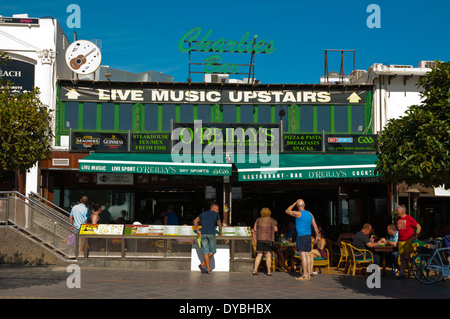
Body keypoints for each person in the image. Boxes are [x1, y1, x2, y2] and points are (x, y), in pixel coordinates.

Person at [285, 199, 319, 281]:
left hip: (301, 236)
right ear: (304, 205)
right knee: (307, 255)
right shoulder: (310, 213)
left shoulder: (298, 213)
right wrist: (317, 235)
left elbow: (287, 211)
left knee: (303, 256)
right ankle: (308, 275)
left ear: (297, 206)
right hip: (308, 236)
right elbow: (314, 225)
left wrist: (294, 203)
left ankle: (304, 275)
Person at [194, 203, 223, 274]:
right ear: (214, 208)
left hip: (203, 234)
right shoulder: (216, 214)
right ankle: (204, 266)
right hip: (211, 234)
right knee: (212, 251)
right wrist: (220, 233)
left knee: (205, 251)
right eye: (217, 209)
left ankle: (206, 267)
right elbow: (219, 225)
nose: (218, 211)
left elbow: (195, 221)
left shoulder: (203, 214)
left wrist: (198, 231)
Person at [396, 204, 421, 279]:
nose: (396, 212)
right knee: (402, 258)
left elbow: (418, 226)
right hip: (401, 240)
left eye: (397, 210)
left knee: (407, 256)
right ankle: (402, 274)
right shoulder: (398, 219)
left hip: (408, 240)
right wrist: (398, 240)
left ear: (402, 211)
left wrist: (416, 236)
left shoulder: (409, 218)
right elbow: (399, 230)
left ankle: (418, 267)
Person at [252, 208, 278, 276]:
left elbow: (255, 229)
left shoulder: (258, 220)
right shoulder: (272, 221)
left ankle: (255, 270)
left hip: (260, 239)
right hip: (268, 239)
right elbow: (276, 230)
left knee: (259, 254)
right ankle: (269, 271)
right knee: (268, 255)